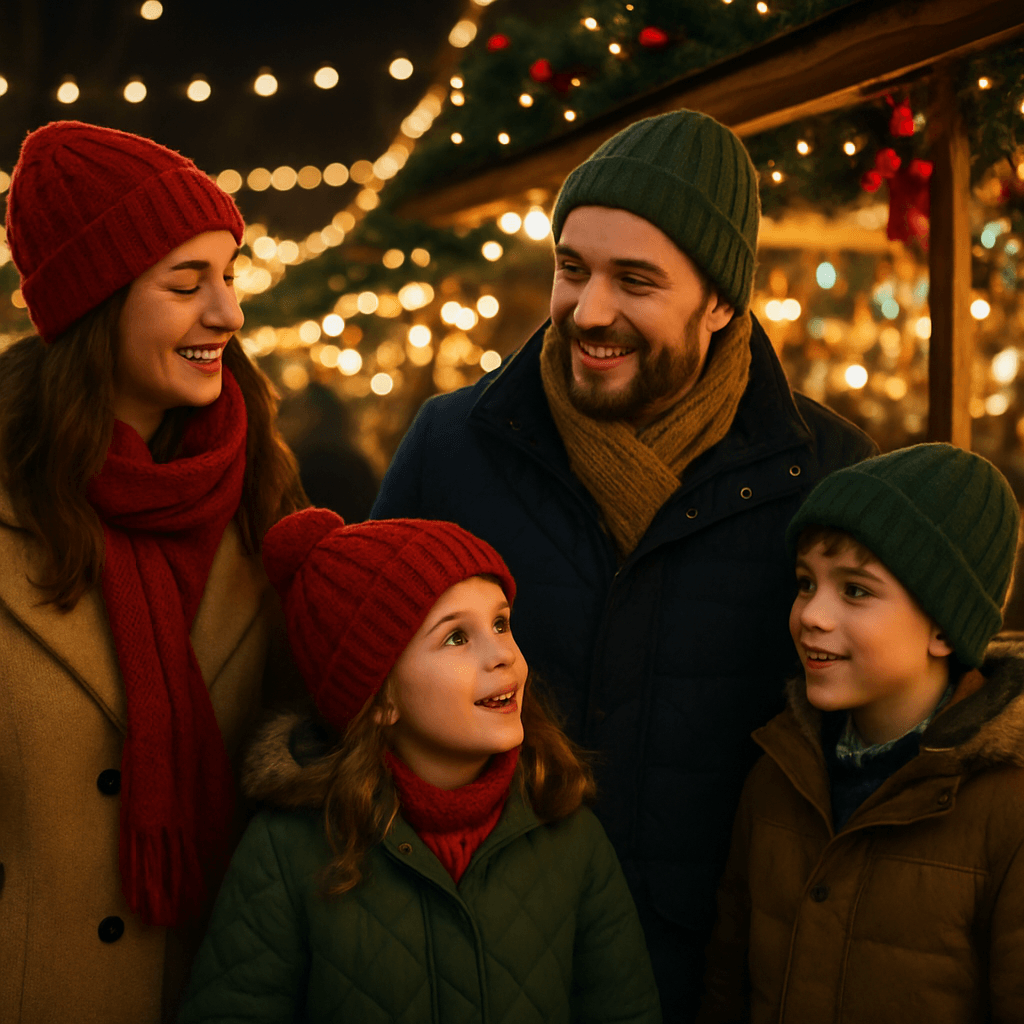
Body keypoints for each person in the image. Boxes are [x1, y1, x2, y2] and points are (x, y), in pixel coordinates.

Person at [371, 108, 877, 1019]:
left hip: (712, 975)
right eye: (573, 268)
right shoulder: (454, 447)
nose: (589, 311)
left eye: (635, 280)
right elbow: (356, 693)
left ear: (720, 301)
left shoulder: (827, 474)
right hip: (472, 960)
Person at [0, 121, 306, 1024]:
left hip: (221, 990)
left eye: (229, 275)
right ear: (96, 306)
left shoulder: (262, 495)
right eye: (187, 284)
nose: (229, 313)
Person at [178, 508, 662, 1024]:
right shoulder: (288, 850)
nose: (502, 654)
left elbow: (624, 1009)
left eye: (501, 623)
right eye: (456, 636)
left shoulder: (568, 832)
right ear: (380, 696)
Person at [699, 443, 1024, 1023]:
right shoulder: (779, 769)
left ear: (944, 628)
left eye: (855, 590)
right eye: (805, 583)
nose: (811, 615)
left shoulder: (1007, 806)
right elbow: (728, 981)